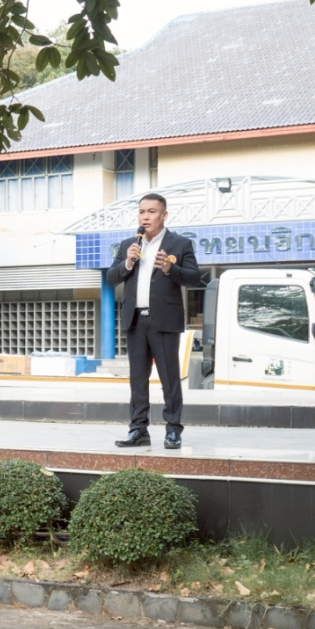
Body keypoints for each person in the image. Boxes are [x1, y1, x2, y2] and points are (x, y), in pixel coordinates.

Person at [103, 192, 202, 449]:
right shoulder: (129, 244)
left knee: (169, 379)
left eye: (151, 212)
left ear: (164, 215)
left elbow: (194, 277)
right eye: (141, 212)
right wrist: (127, 262)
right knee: (137, 379)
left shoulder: (180, 244)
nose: (145, 217)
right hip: (135, 320)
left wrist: (171, 269)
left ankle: (173, 431)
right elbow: (111, 278)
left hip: (165, 320)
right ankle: (138, 430)